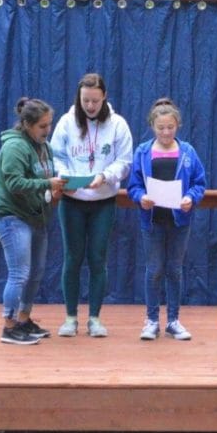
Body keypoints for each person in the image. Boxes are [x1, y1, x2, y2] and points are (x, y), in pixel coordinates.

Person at [50, 73, 133, 338]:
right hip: (72, 202)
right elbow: (56, 156)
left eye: (95, 100)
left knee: (98, 258)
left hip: (103, 201)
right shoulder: (66, 121)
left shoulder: (118, 124)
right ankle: (70, 318)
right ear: (79, 97)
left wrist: (105, 176)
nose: (90, 106)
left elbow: (124, 161)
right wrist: (64, 178)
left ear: (104, 97)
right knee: (72, 258)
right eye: (86, 100)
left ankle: (95, 318)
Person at [127, 98, 207, 341]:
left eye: (170, 127)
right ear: (152, 126)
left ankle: (173, 320)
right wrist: (141, 197)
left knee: (174, 269)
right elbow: (133, 185)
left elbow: (199, 183)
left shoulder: (188, 152)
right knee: (154, 270)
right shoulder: (142, 152)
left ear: (177, 126)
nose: (165, 132)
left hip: (179, 221)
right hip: (152, 221)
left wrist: (190, 198)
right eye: (160, 127)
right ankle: (152, 320)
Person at [0, 98, 65, 345]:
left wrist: (54, 190)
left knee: (36, 272)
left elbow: (47, 176)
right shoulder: (14, 148)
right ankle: (8, 326)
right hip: (11, 218)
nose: (48, 130)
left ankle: (24, 319)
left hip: (37, 217)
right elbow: (14, 184)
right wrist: (46, 184)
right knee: (19, 273)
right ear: (27, 124)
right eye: (42, 126)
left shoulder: (45, 147)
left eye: (49, 124)